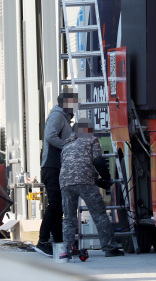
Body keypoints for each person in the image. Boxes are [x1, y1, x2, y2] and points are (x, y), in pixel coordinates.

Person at [60, 119, 124, 257]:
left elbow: (74, 167)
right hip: (85, 182)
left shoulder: (66, 145)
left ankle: (67, 250)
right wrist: (107, 179)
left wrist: (96, 180)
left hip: (65, 183)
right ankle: (109, 248)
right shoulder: (91, 140)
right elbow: (98, 161)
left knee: (69, 218)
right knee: (99, 215)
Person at [35, 87, 76, 256]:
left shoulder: (63, 118)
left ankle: (58, 243)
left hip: (57, 167)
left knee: (59, 207)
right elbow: (50, 136)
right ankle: (43, 241)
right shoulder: (57, 116)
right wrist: (67, 145)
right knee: (55, 205)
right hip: (51, 167)